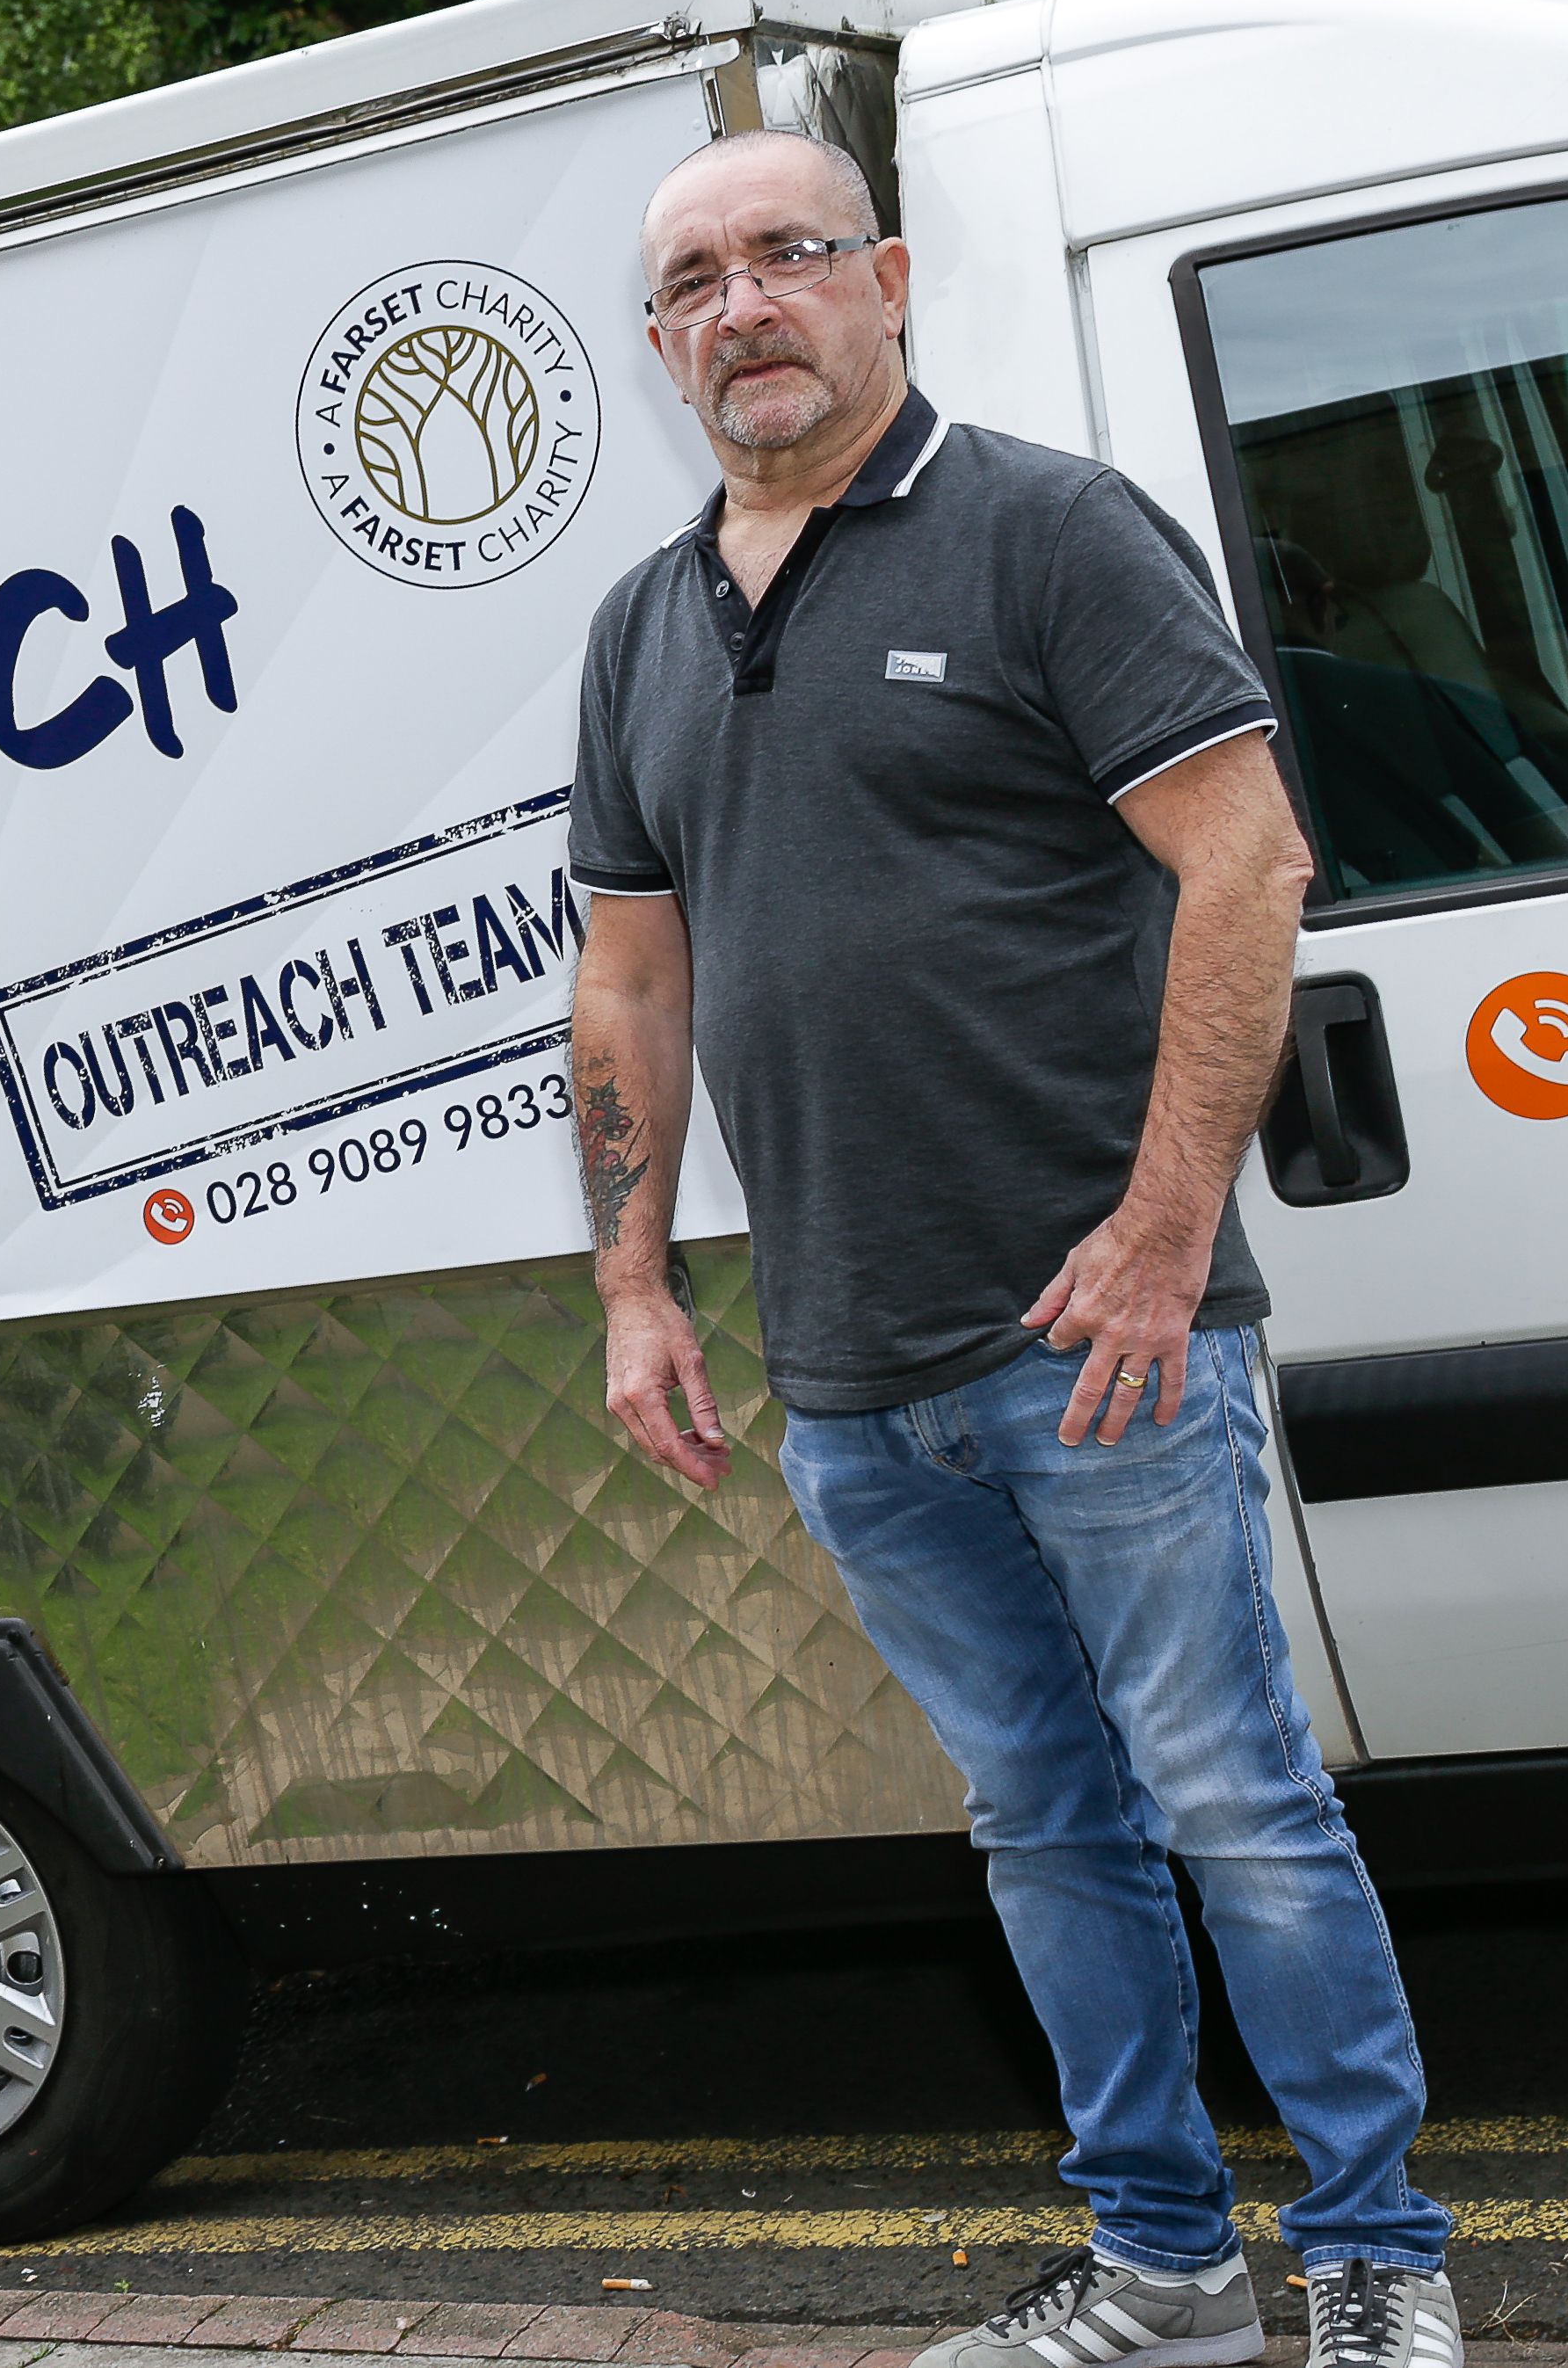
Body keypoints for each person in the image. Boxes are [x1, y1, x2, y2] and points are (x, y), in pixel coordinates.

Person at [565, 133, 1455, 2368]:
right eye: (693, 278)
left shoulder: (1044, 530)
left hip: (1102, 1344)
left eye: (785, 255)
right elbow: (629, 986)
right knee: (1042, 1827)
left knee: (1235, 1801)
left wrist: (1165, 1237)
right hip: (850, 1374)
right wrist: (634, 1281)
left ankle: (1370, 2264)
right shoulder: (640, 630)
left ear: (879, 281)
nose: (743, 301)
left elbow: (1244, 869)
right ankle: (1163, 2276)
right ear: (658, 344)